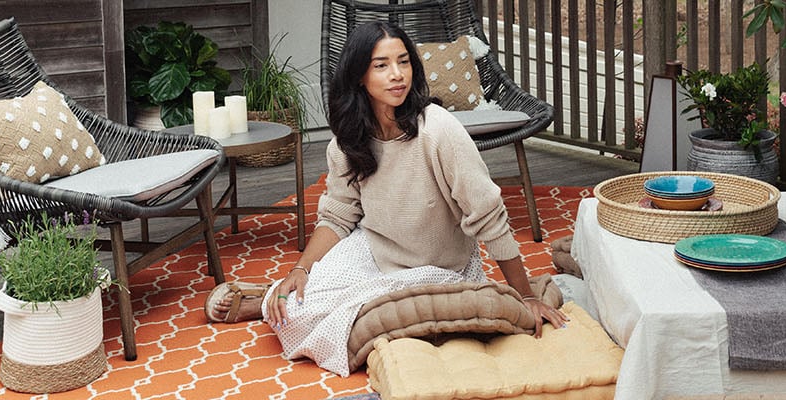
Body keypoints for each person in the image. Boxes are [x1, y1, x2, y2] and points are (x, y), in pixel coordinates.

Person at [202, 21, 568, 376]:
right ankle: (270, 298)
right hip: (374, 250)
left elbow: (489, 216)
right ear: (360, 75)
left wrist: (526, 296)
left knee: (382, 317)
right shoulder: (347, 140)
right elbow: (338, 216)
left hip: (440, 267)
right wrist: (301, 269)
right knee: (301, 307)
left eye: (403, 61)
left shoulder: (438, 129)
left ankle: (263, 303)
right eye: (382, 65)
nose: (397, 74)